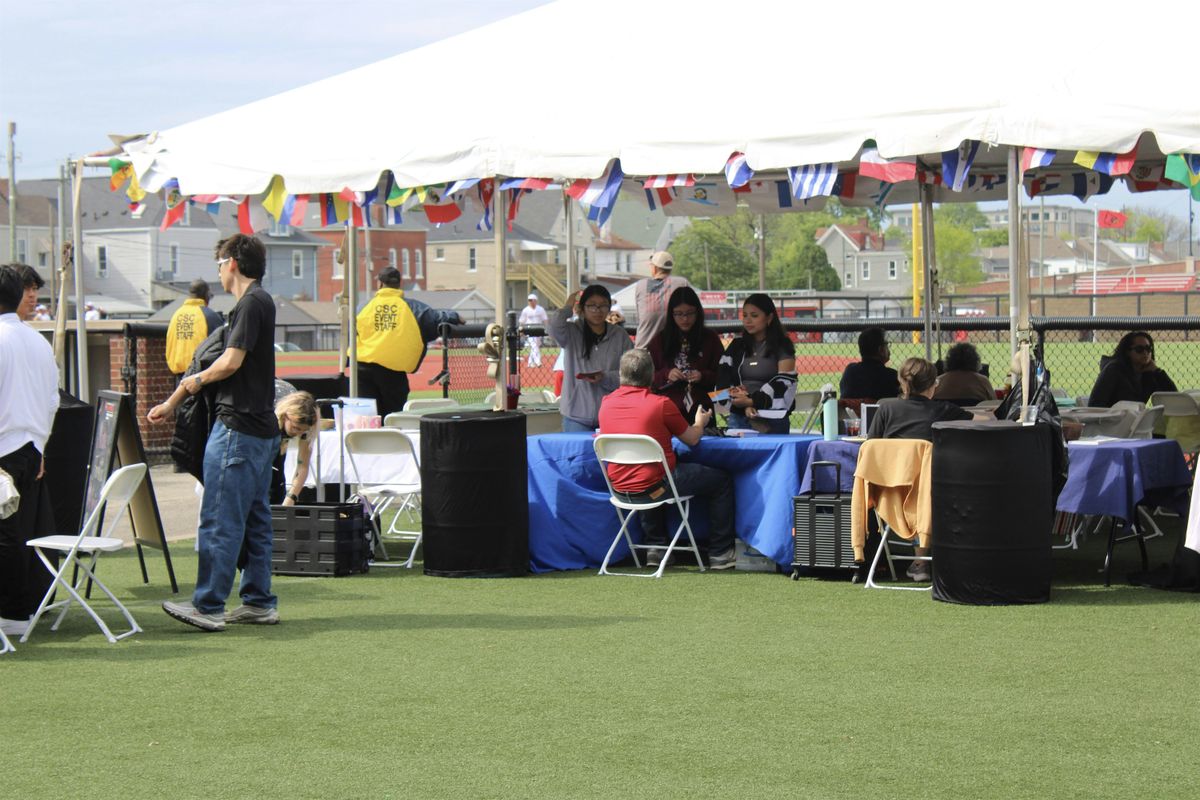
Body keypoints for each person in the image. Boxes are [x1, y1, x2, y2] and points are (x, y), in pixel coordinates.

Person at [148, 234, 281, 631]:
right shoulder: (262, 302)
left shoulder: (249, 303)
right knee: (255, 520)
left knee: (220, 518)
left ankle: (208, 605)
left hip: (237, 428)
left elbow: (230, 361)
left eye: (219, 263)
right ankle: (258, 601)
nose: (218, 272)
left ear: (232, 264)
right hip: (260, 429)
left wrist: (192, 383)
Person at [598, 349, 737, 569]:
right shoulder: (660, 404)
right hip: (655, 485)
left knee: (649, 472)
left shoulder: (606, 403)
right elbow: (691, 439)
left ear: (620, 375)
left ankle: (656, 546)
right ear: (652, 375)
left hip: (619, 487)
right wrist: (700, 422)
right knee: (721, 480)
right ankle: (720, 552)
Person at [866, 357, 972, 581]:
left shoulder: (886, 409)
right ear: (933, 385)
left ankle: (913, 561)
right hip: (929, 497)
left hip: (888, 496)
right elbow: (981, 420)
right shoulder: (942, 410)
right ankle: (922, 560)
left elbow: (870, 446)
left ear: (901, 382)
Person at [0, 264, 60, 637]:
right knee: (20, 533)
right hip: (31, 449)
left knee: (6, 536)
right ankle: (19, 610)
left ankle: (11, 613)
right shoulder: (39, 341)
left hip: (4, 449)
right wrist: (40, 446)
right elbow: (52, 401)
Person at [354, 266, 463, 418]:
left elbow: (351, 333)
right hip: (393, 373)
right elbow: (437, 318)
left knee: (365, 419)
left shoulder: (362, 307)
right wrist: (455, 316)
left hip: (361, 370)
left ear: (379, 284)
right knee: (393, 418)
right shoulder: (413, 308)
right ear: (399, 284)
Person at [547, 284, 633, 431]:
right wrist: (568, 306)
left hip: (611, 414)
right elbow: (554, 326)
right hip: (576, 415)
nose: (597, 311)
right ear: (582, 308)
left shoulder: (620, 335)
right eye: (592, 306)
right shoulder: (572, 331)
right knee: (578, 454)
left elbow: (630, 374)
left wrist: (605, 377)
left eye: (603, 306)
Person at [717, 293, 797, 434]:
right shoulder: (736, 346)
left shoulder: (782, 346)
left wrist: (751, 402)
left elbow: (785, 385)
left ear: (769, 318)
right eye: (745, 315)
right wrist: (744, 405)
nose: (748, 320)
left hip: (773, 420)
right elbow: (720, 386)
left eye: (754, 315)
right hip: (739, 418)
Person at [646, 286, 722, 423]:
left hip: (703, 410)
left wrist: (703, 376)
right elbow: (647, 378)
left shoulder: (710, 339)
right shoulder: (660, 341)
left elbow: (724, 377)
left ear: (698, 312)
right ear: (671, 314)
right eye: (679, 314)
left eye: (690, 313)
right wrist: (666, 374)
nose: (685, 319)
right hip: (668, 410)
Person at [1087, 331, 1177, 408]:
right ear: (1127, 352)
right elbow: (1095, 404)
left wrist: (1158, 372)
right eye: (1139, 349)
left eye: (1148, 349)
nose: (1145, 353)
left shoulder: (1148, 373)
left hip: (1132, 422)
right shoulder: (1113, 370)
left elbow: (1174, 397)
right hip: (1111, 423)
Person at [633, 251, 690, 348]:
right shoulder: (682, 283)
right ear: (670, 269)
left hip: (644, 350)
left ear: (654, 268)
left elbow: (640, 317)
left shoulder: (641, 285)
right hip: (673, 350)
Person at [166, 279, 223, 376]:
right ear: (206, 294)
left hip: (179, 375)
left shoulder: (176, 315)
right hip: (200, 375)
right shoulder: (210, 316)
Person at [273, 391, 317, 507]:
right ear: (285, 417)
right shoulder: (271, 421)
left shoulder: (307, 429)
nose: (298, 433)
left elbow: (303, 466)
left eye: (303, 431)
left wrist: (291, 497)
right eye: (295, 428)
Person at [839, 327, 900, 401]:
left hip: (850, 412)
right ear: (881, 350)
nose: (888, 347)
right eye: (886, 344)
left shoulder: (850, 372)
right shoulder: (892, 376)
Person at [518, 292, 549, 367]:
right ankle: (538, 362)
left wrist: (547, 328)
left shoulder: (540, 309)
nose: (530, 302)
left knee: (535, 346)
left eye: (531, 300)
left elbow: (545, 319)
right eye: (529, 300)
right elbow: (522, 321)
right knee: (534, 345)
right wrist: (521, 331)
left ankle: (530, 362)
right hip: (529, 329)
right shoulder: (526, 310)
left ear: (535, 301)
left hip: (538, 329)